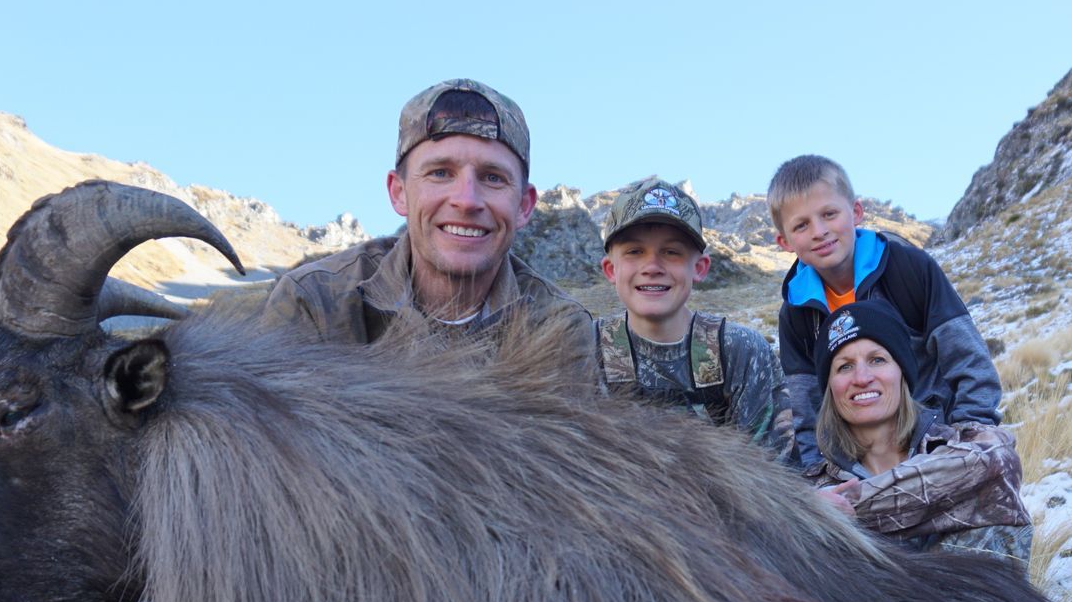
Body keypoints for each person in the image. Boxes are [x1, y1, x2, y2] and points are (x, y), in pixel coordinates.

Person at [263, 78, 597, 380]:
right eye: (440, 173)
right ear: (399, 192)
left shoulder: (560, 328)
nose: (466, 200)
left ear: (524, 205)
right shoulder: (314, 302)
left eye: (493, 177)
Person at [770, 154, 1003, 470]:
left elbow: (970, 361)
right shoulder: (795, 313)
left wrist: (967, 438)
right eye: (802, 225)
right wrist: (816, 473)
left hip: (941, 444)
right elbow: (805, 408)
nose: (819, 231)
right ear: (784, 241)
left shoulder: (910, 269)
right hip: (862, 465)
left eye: (829, 214)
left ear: (856, 212)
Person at [811, 300, 1031, 562]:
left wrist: (841, 510)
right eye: (844, 366)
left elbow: (998, 461)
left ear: (903, 374)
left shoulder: (960, 445)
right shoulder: (813, 487)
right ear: (830, 388)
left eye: (877, 360)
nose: (861, 377)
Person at [594, 177, 789, 452]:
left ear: (700, 268)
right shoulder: (583, 348)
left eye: (671, 252)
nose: (652, 266)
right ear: (610, 270)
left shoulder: (742, 351)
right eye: (634, 252)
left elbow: (776, 475)